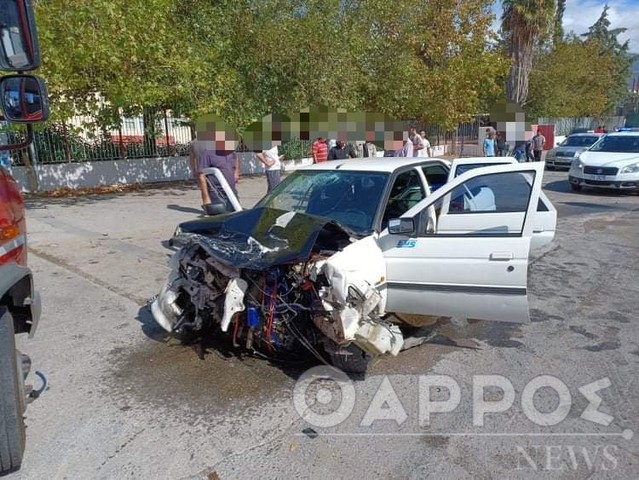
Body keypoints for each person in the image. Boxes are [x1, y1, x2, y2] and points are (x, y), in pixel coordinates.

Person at [192, 137, 240, 214]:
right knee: (220, 217)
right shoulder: (207, 153)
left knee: (236, 214)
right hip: (216, 193)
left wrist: (236, 172)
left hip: (231, 191)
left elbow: (236, 159)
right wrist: (206, 197)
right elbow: (201, 175)